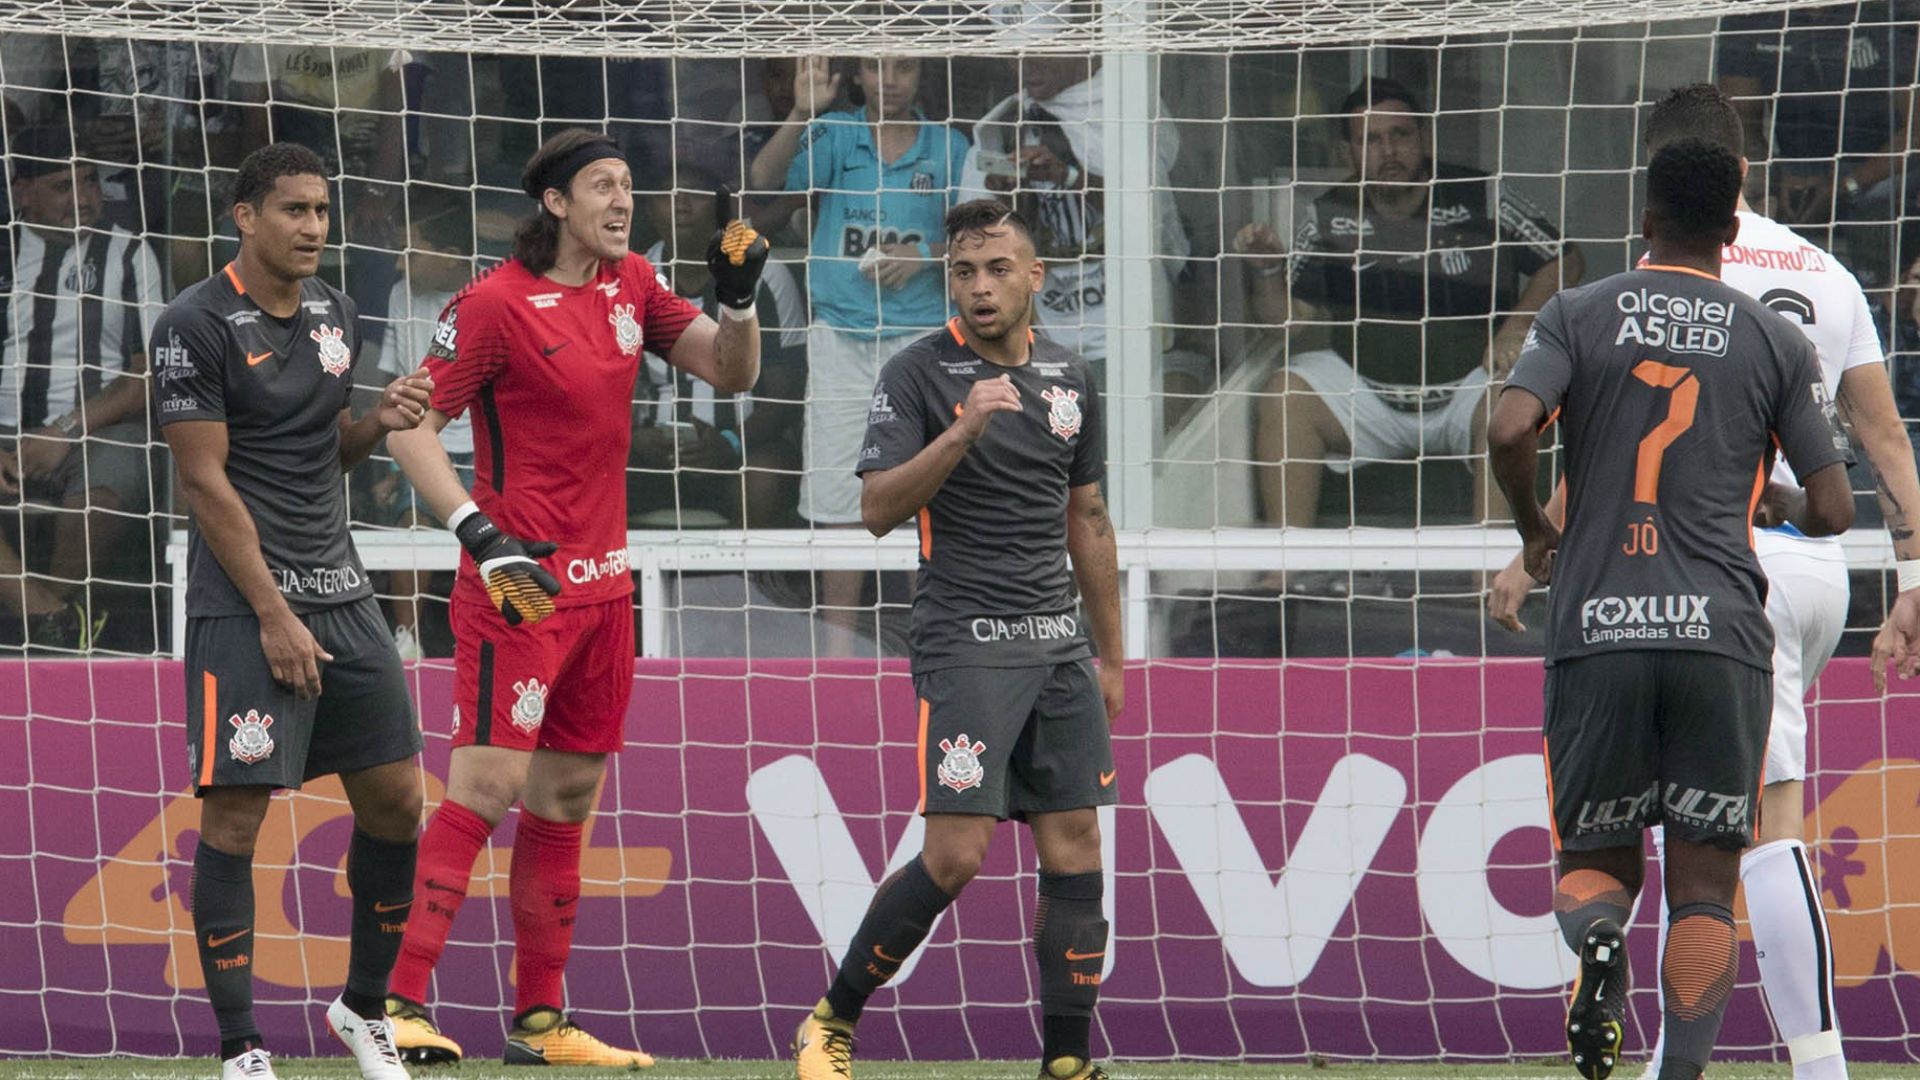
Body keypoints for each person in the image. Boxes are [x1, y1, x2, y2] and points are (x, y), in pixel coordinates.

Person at [1490, 83, 1920, 1080]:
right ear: (1739, 195)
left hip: (1605, 606)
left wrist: (1527, 544)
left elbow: (1534, 435)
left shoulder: (1587, 308)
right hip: (1752, 598)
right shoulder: (1802, 297)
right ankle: (1792, 1063)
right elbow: (1868, 456)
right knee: (1727, 860)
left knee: (1598, 861)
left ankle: (1610, 953)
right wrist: (1903, 572)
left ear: (1646, 205)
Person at [379, 128, 767, 1066]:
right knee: (488, 784)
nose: (622, 201)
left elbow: (730, 368)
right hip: (518, 586)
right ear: (555, 202)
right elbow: (409, 427)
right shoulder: (492, 303)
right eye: (603, 186)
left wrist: (741, 299)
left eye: (628, 186)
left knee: (569, 798)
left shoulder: (634, 282)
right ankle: (395, 1008)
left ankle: (542, 1023)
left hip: (605, 587)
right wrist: (482, 535)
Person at [791, 199, 1122, 1080]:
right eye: (964, 273)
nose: (979, 288)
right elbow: (873, 510)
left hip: (1057, 647)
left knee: (1076, 845)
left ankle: (1066, 1059)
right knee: (956, 854)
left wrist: (1112, 653)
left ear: (1034, 277)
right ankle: (833, 1019)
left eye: (997, 270)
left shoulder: (1071, 377)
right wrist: (966, 426)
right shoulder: (917, 373)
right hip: (967, 643)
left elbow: (1087, 516)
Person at [150, 141, 436, 1080]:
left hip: (342, 590)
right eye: (296, 211)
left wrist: (375, 422)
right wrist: (274, 614)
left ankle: (362, 1011)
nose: (315, 227)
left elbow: (322, 452)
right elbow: (206, 481)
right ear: (246, 217)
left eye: (322, 211)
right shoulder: (194, 325)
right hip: (245, 604)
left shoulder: (335, 311)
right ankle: (241, 1049)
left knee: (398, 802)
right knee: (236, 820)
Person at [1235, 78, 1582, 530]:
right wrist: (1265, 271)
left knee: (1512, 395)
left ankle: (1490, 584)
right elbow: (1287, 322)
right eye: (1371, 139)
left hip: (1466, 391)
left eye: (1401, 134)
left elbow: (1566, 259)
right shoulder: (1327, 213)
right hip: (1369, 397)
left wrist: (1516, 327)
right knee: (1285, 392)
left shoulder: (1482, 195)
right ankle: (1282, 575)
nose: (1389, 149)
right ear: (1348, 153)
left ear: (1425, 137)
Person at [749, 56, 970, 654]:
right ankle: (839, 650)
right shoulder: (836, 132)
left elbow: (980, 235)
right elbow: (764, 180)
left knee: (928, 492)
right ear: (858, 77)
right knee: (837, 494)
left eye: (903, 68)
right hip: (840, 338)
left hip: (922, 339)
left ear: (922, 75)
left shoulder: (950, 147)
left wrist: (927, 253)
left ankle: (933, 643)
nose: (890, 80)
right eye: (877, 70)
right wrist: (801, 110)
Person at [2, 125, 163, 649]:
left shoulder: (130, 254)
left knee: (111, 479)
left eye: (89, 183)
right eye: (62, 186)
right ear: (22, 191)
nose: (84, 199)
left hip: (94, 428)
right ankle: (52, 618)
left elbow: (150, 373)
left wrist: (65, 431)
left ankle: (43, 621)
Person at [956, 54, 1189, 387]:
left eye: (1040, 54)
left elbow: (1147, 213)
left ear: (1080, 51)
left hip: (1129, 335)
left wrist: (1066, 175)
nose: (1027, 67)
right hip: (1044, 344)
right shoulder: (1002, 128)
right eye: (1015, 58)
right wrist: (1007, 197)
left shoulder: (1123, 109)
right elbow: (976, 250)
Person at [637, 163, 808, 527]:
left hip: (745, 447)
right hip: (654, 451)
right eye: (667, 195)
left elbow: (788, 395)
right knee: (591, 473)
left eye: (694, 195)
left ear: (720, 209)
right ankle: (617, 583)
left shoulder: (763, 275)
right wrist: (636, 439)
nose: (680, 204)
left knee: (764, 480)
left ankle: (758, 582)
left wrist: (730, 442)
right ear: (649, 209)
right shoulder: (632, 280)